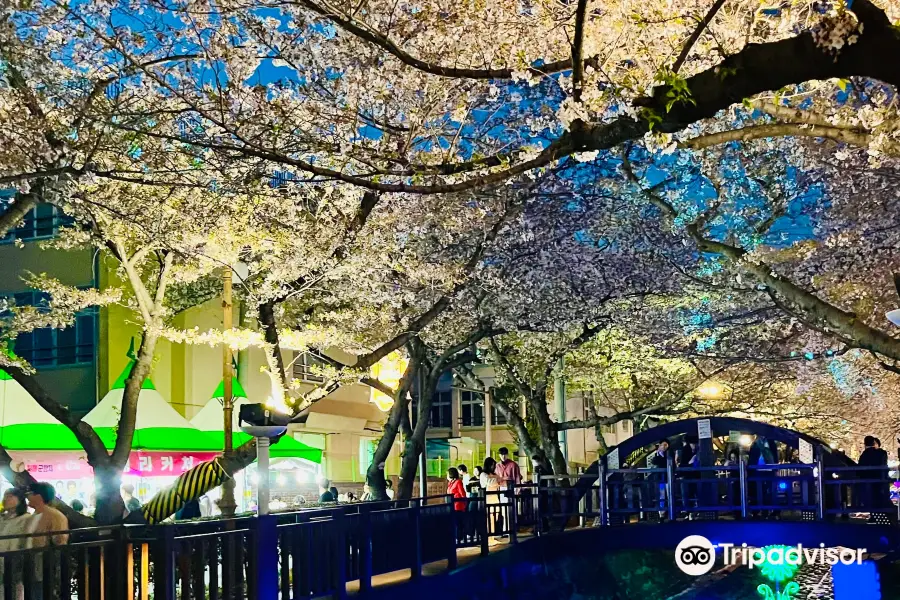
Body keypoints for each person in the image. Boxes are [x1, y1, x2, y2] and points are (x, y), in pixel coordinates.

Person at [0, 488, 31, 600]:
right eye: (5, 496)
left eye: (10, 496)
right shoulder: (2, 518)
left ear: (20, 500)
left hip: (14, 561)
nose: (6, 499)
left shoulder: (26, 518)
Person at [859, 435, 890, 522]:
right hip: (880, 479)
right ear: (874, 443)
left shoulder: (864, 455)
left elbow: (860, 468)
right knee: (880, 497)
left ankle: (875, 515)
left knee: (872, 498)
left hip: (868, 480)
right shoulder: (881, 453)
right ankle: (884, 514)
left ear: (865, 443)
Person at [480, 457, 504, 540]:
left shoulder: (494, 474)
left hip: (494, 498)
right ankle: (488, 538)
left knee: (494, 518)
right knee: (489, 519)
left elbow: (500, 481)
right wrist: (499, 480)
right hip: (487, 498)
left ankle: (492, 537)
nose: (493, 467)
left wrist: (500, 480)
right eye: (492, 465)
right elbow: (491, 482)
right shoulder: (483, 474)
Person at [649, 440, 669, 520]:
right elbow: (654, 462)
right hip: (660, 478)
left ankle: (669, 513)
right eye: (663, 445)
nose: (664, 447)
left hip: (667, 477)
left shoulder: (668, 454)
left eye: (666, 445)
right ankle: (662, 514)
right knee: (662, 496)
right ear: (660, 445)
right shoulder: (656, 455)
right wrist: (658, 454)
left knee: (669, 495)